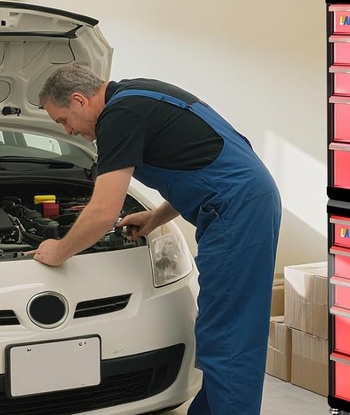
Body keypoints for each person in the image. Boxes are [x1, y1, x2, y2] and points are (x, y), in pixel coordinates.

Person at [33, 64, 282, 415]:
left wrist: (58, 251)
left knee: (229, 334)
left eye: (62, 121)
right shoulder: (135, 95)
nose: (68, 130)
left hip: (236, 210)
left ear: (79, 100)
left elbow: (104, 211)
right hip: (241, 201)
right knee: (223, 328)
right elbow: (194, 165)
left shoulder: (118, 117)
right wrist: (155, 217)